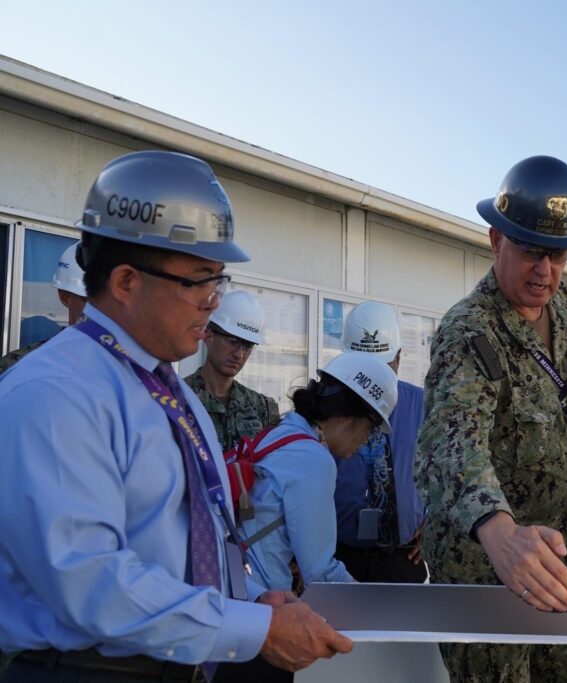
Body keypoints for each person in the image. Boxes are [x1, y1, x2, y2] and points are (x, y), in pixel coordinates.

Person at [0, 150, 350, 682]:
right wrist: (254, 629)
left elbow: (184, 544)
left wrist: (253, 600)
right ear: (125, 282)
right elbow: (90, 582)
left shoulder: (169, 393)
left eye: (218, 281)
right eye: (198, 281)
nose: (213, 302)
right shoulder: (57, 393)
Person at [416, 155, 567, 682]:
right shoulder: (469, 331)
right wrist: (498, 529)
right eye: (531, 252)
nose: (545, 272)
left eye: (558, 255)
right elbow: (450, 443)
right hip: (484, 570)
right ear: (496, 241)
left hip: (554, 558)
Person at [218, 352, 397, 683]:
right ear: (349, 417)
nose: (367, 442)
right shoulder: (314, 459)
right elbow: (320, 571)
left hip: (234, 599)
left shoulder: (284, 431)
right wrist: (379, 608)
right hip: (264, 617)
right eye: (371, 429)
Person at [333, 301, 429, 583]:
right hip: (339, 559)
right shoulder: (326, 406)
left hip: (403, 559)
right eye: (363, 369)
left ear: (398, 358)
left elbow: (453, 473)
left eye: (380, 368)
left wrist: (436, 526)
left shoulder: (424, 406)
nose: (371, 381)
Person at [184, 289, 280, 451]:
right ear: (208, 337)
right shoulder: (179, 398)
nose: (239, 354)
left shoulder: (263, 408)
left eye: (247, 346)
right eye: (233, 341)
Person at [0, 241, 87, 374]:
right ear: (65, 297)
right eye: (90, 301)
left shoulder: (126, 368)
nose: (105, 313)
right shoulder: (18, 367)